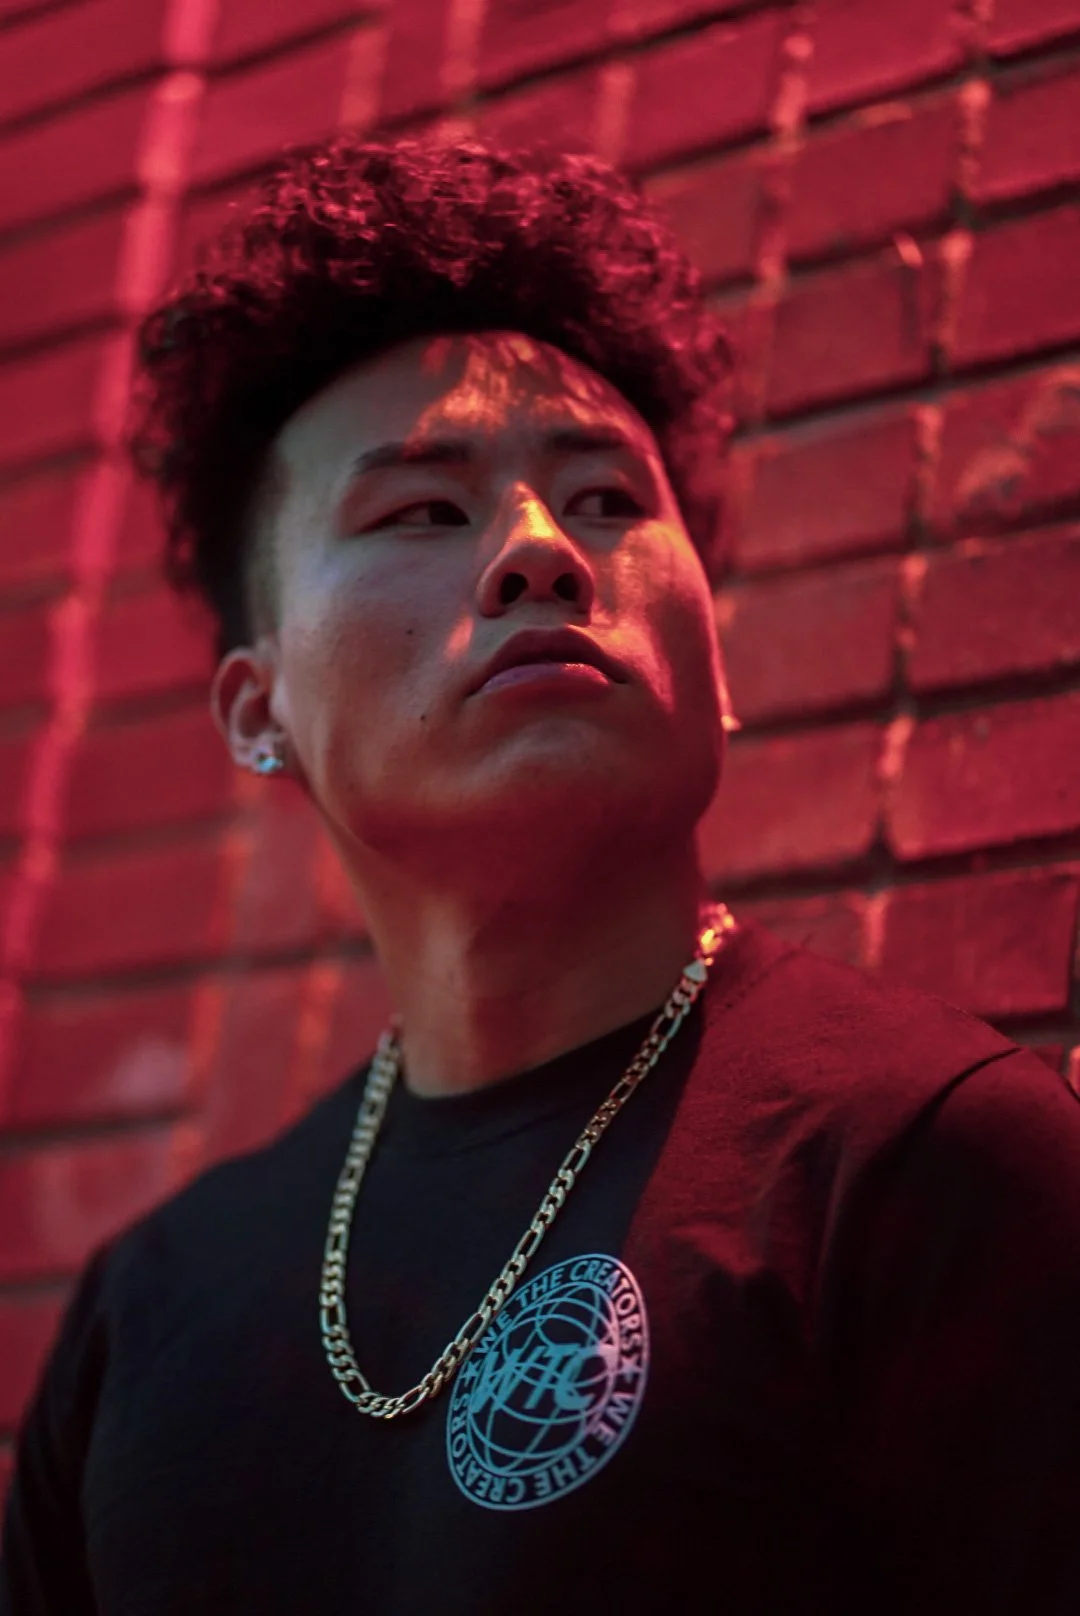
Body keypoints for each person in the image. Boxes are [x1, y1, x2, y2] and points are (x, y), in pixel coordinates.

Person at [2, 130, 1079, 1616]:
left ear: (715, 669)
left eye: (607, 501)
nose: (540, 554)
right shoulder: (146, 1314)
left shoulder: (923, 1167)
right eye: (422, 512)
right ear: (262, 713)